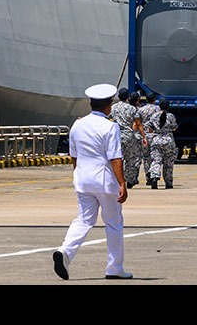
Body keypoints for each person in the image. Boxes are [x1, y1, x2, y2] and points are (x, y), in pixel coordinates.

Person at [53, 82, 129, 281]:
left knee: (84, 219)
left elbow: (73, 155)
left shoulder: (77, 124)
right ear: (108, 105)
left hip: (83, 179)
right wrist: (122, 183)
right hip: (104, 181)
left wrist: (78, 175)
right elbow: (115, 158)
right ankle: (115, 268)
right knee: (113, 223)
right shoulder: (110, 126)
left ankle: (65, 251)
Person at [110, 92, 145, 189]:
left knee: (118, 158)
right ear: (127, 98)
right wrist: (143, 136)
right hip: (129, 136)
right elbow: (138, 123)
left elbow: (106, 119)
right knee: (131, 159)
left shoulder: (113, 107)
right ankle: (130, 180)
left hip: (116, 136)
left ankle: (118, 179)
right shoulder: (132, 108)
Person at [145, 98, 178, 188]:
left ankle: (155, 177)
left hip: (157, 140)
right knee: (168, 163)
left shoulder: (154, 116)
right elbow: (174, 127)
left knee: (156, 160)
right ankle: (168, 182)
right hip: (168, 140)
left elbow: (149, 127)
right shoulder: (171, 116)